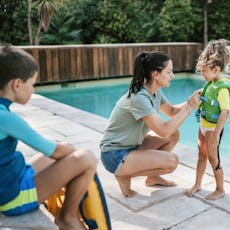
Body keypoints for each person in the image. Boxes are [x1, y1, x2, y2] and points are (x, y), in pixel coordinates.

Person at [0, 45, 97, 230]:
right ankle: (67, 218)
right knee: (86, 158)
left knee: (63, 150)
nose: (33, 90)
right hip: (12, 198)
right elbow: (54, 151)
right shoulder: (7, 118)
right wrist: (74, 154)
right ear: (17, 84)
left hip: (10, 180)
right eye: (32, 84)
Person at [100, 51, 201, 197]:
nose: (172, 75)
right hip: (114, 154)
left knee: (174, 134)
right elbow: (163, 131)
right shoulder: (139, 98)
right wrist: (188, 107)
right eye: (169, 71)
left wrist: (194, 100)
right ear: (156, 75)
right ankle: (123, 175)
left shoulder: (154, 91)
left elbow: (172, 111)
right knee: (171, 162)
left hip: (132, 146)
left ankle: (152, 178)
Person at [186, 39, 230, 200]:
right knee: (201, 156)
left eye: (205, 71)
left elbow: (225, 111)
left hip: (213, 129)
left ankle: (220, 189)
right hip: (203, 126)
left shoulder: (223, 87)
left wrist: (217, 133)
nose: (202, 74)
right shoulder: (210, 83)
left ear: (216, 69)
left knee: (213, 158)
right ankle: (198, 183)